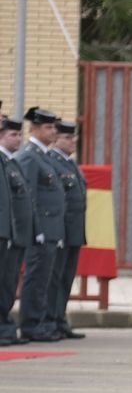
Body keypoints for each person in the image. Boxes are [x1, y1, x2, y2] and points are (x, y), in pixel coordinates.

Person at [17, 108, 65, 344]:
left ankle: (40, 322)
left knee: (44, 280)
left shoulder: (44, 156)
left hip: (51, 229)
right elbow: (30, 197)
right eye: (48, 127)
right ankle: (31, 324)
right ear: (34, 129)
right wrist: (37, 230)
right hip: (41, 231)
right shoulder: (29, 156)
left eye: (54, 127)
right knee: (36, 279)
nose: (53, 131)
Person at [47, 121, 88, 340]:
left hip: (74, 230)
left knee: (66, 278)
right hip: (60, 230)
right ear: (56, 139)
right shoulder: (52, 162)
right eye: (68, 138)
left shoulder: (70, 164)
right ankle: (51, 319)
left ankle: (59, 319)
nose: (73, 142)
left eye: (74, 138)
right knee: (54, 278)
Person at [0, 115, 33, 348]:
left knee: (9, 283)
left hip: (10, 232)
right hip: (6, 232)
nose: (19, 138)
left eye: (20, 134)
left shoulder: (10, 162)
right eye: (13, 134)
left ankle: (5, 326)